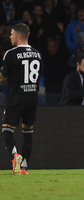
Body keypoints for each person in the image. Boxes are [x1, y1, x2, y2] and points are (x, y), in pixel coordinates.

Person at [0, 23, 43, 175]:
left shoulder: (11, 54)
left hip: (16, 98)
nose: (10, 37)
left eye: (11, 34)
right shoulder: (37, 53)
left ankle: (15, 155)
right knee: (28, 133)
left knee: (6, 130)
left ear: (19, 36)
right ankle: (24, 168)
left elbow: (2, 75)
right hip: (32, 98)